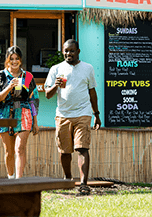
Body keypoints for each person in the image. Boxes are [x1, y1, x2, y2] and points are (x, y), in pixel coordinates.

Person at [44, 39, 101, 195]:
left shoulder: (87, 68)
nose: (68, 53)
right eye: (66, 51)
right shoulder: (56, 69)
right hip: (63, 115)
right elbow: (47, 95)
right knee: (64, 151)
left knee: (82, 148)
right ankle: (68, 179)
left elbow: (92, 92)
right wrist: (55, 85)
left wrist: (96, 114)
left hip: (83, 113)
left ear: (78, 51)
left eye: (72, 51)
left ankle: (83, 184)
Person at [0, 45, 39, 179]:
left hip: (24, 113)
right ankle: (11, 178)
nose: (14, 61)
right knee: (9, 152)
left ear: (21, 60)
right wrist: (9, 87)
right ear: (7, 60)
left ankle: (19, 181)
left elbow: (33, 99)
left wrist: (35, 120)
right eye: (12, 59)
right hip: (5, 114)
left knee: (20, 149)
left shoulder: (27, 76)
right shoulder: (0, 76)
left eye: (17, 58)